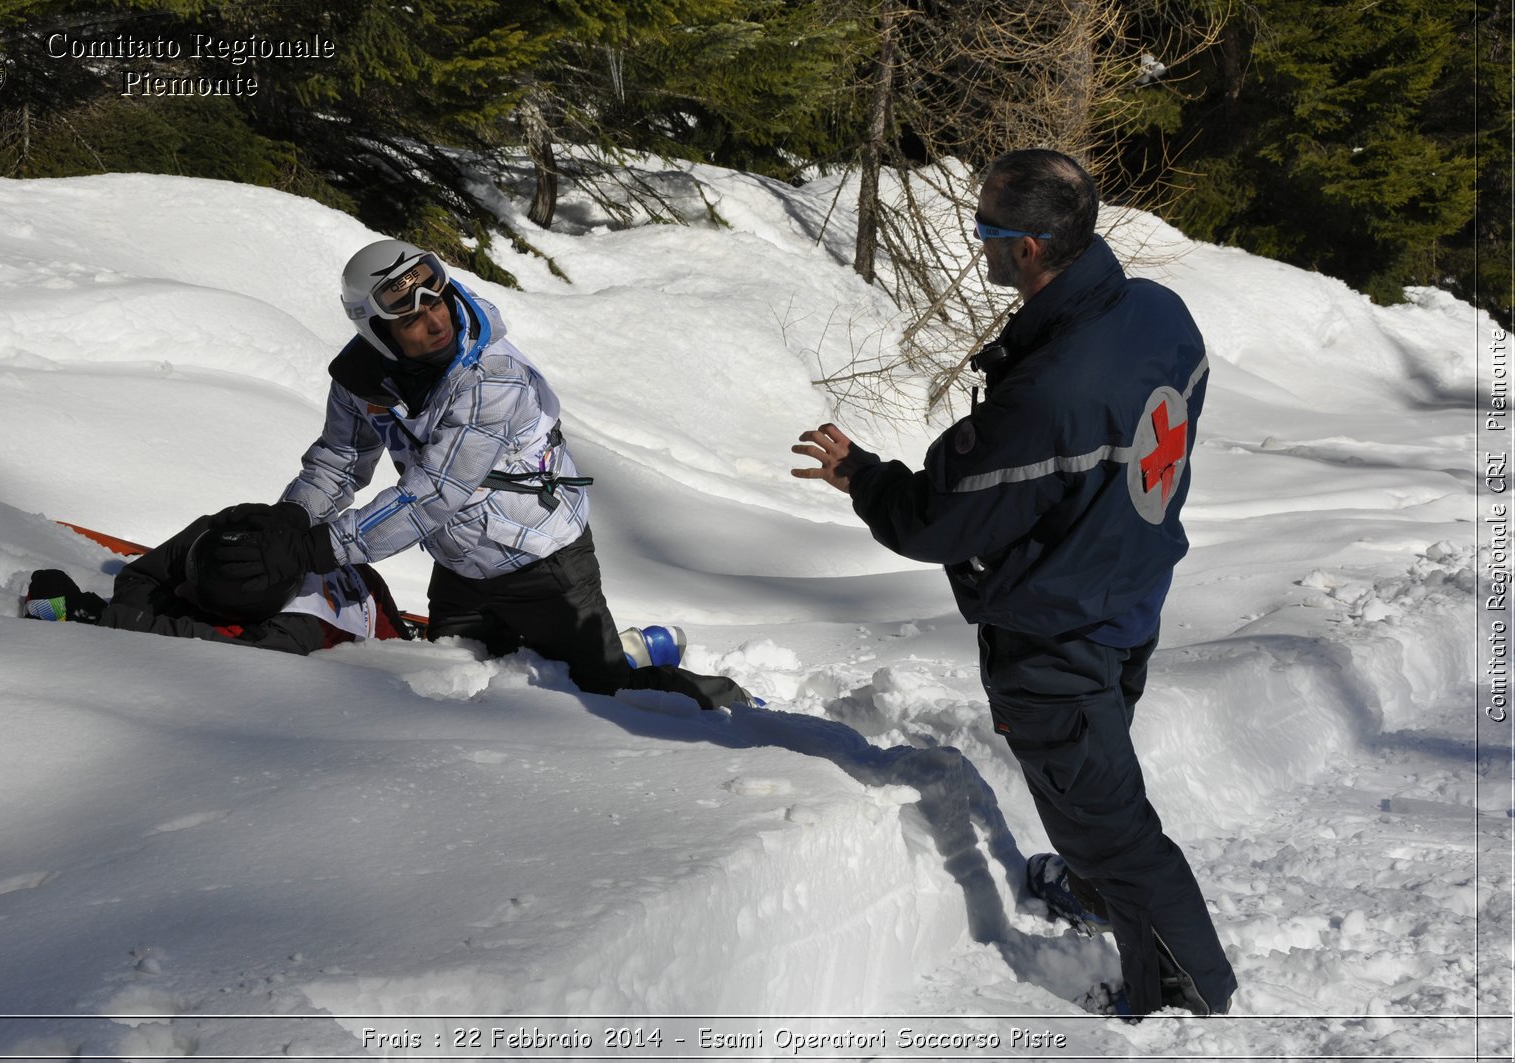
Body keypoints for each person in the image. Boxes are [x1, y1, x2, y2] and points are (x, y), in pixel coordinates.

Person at [790, 149, 1235, 1018]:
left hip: (1057, 634)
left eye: (987, 230)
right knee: (1091, 782)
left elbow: (937, 515)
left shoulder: (1050, 392)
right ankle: (1095, 886)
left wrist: (863, 477)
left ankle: (1187, 992)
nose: (979, 243)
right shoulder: (1159, 313)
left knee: (1109, 820)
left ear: (1029, 246)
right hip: (1128, 595)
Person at [211, 239, 751, 708]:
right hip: (460, 565)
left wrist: (312, 550)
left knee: (608, 695)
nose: (435, 318)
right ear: (375, 329)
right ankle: (626, 644)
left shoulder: (493, 377)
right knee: (459, 675)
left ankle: (722, 697)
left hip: (543, 561)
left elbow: (433, 495)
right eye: (410, 316)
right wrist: (288, 520)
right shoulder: (362, 379)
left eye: (437, 296)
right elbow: (339, 460)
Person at [23, 511, 409, 654]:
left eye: (199, 593)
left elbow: (201, 646)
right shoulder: (226, 533)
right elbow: (140, 576)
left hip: (379, 633)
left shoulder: (292, 633)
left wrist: (106, 621)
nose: (181, 588)